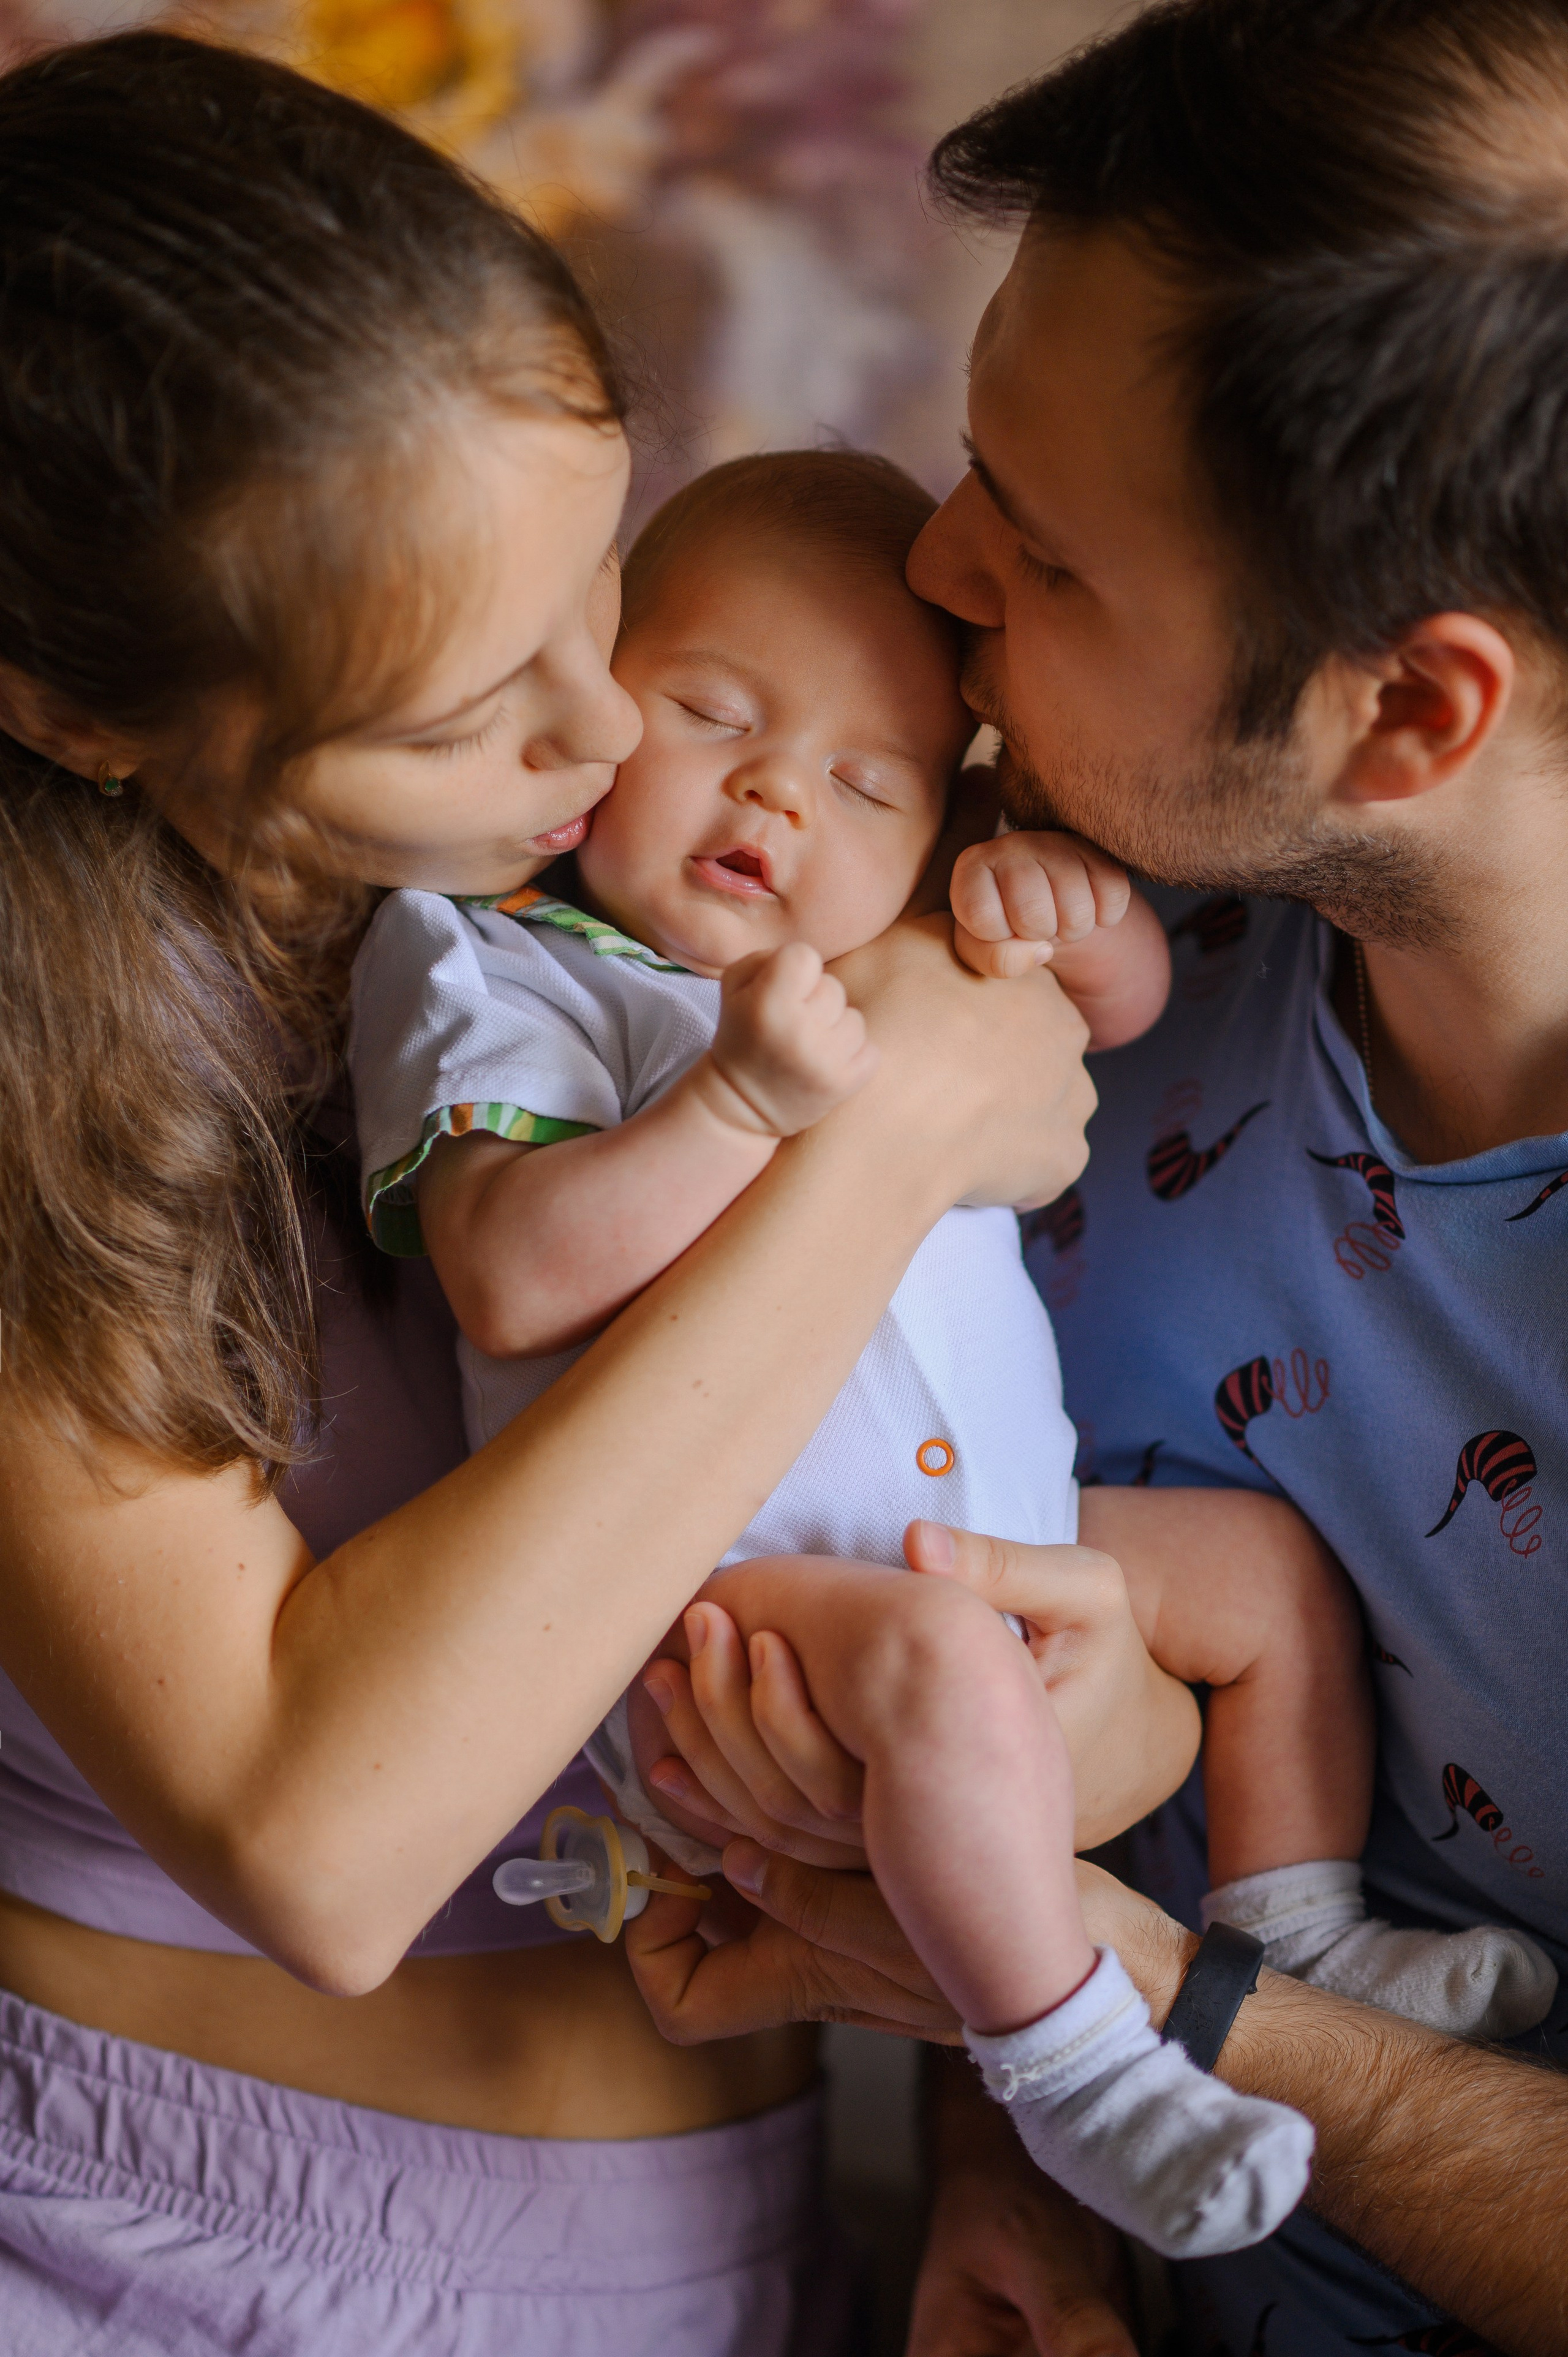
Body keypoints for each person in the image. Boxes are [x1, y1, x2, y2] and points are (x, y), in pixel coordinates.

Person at [0, 31, 1115, 2353]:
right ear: (83, 717)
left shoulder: (645, 879)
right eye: (464, 705)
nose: (611, 736)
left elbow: (908, 1512)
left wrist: (1011, 2128)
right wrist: (892, 1122)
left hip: (737, 2235)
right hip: (168, 2253)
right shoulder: (53, 1057)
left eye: (600, 598)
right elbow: (331, 1837)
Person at [609, 2, 1568, 2350]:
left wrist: (1103, 2010)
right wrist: (1007, 2179)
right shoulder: (1071, 961)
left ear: (1407, 708)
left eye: (1039, 554)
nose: (931, 572)